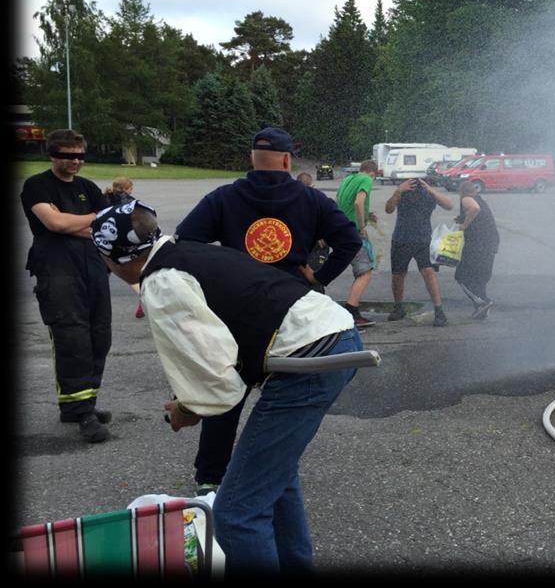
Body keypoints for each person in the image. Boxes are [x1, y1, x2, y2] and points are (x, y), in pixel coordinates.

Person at [91, 201, 366, 575]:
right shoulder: (187, 252)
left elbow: (216, 383)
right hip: (334, 333)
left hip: (310, 357)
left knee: (236, 511)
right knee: (275, 477)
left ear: (115, 259)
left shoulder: (162, 281)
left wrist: (185, 410)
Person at [176, 126, 362, 496]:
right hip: (294, 315)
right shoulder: (312, 200)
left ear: (252, 158)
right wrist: (319, 276)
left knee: (226, 394)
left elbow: (186, 241)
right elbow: (350, 240)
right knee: (284, 402)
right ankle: (273, 475)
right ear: (288, 159)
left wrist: (220, 272)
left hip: (237, 314)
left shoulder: (225, 198)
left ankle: (210, 479)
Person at [19, 129, 112, 443]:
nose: (75, 161)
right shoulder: (37, 185)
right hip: (57, 271)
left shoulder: (88, 187)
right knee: (72, 337)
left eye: (80, 156)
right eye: (68, 156)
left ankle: (80, 404)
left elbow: (105, 228)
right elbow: (53, 224)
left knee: (99, 335)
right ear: (52, 155)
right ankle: (83, 412)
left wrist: (76, 222)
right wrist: (89, 219)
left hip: (94, 268)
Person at [384, 177, 454, 327]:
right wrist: (398, 191)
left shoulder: (428, 194)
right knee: (398, 274)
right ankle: (398, 307)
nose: (414, 189)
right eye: (412, 185)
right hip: (401, 239)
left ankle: (439, 310)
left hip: (423, 240)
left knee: (429, 272)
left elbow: (449, 206)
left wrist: (430, 189)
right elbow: (388, 209)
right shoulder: (402, 194)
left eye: (418, 185)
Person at [335, 160, 380, 328]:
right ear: (372, 173)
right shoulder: (366, 180)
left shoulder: (348, 179)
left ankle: (352, 310)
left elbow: (341, 202)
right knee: (365, 273)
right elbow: (358, 203)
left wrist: (367, 215)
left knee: (359, 271)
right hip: (353, 232)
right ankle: (352, 312)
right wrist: (362, 227)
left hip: (340, 228)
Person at [454, 180, 500, 320]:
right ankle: (482, 311)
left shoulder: (467, 199)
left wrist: (464, 226)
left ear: (461, 191)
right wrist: (462, 218)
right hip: (491, 242)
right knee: (480, 278)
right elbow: (480, 215)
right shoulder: (481, 199)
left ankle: (482, 301)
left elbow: (474, 209)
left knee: (461, 276)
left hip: (477, 244)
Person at [105, 175, 146, 318]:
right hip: (124, 244)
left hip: (106, 243)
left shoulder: (104, 198)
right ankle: (143, 298)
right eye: (131, 189)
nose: (131, 191)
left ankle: (98, 299)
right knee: (132, 275)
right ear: (125, 189)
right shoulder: (131, 202)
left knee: (105, 272)